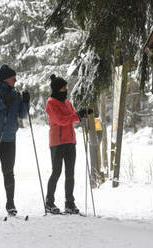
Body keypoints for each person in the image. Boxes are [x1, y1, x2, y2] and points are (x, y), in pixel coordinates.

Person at [0, 64, 30, 216]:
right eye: (13, 77)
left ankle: (10, 204)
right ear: (5, 78)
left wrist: (26, 102)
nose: (15, 80)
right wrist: (3, 103)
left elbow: (22, 115)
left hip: (9, 138)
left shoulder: (15, 94)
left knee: (8, 171)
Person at [45, 74, 93, 214]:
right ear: (57, 89)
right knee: (56, 172)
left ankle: (69, 203)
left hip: (70, 141)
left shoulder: (67, 102)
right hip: (57, 142)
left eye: (66, 87)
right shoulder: (51, 103)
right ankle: (49, 202)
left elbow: (72, 118)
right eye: (64, 87)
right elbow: (61, 120)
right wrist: (77, 115)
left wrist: (82, 113)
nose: (66, 90)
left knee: (70, 173)